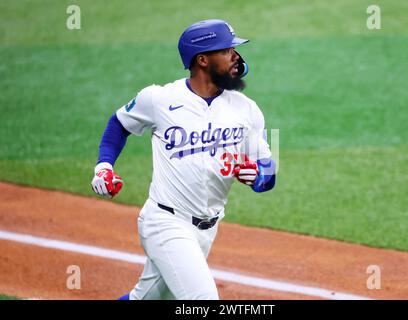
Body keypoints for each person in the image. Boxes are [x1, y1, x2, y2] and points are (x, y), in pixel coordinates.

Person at [91, 19, 276, 300]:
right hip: (165, 222)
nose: (236, 56)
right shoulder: (159, 99)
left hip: (207, 228)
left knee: (146, 299)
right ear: (202, 60)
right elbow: (118, 124)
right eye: (227, 50)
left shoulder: (245, 109)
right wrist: (104, 166)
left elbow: (268, 172)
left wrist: (259, 176)